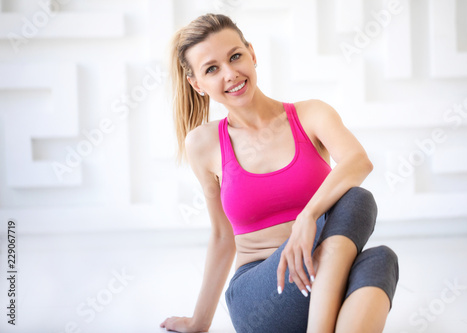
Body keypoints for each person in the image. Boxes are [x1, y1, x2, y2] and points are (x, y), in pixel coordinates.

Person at [160, 13, 399, 333]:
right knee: (356, 204)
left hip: (320, 281)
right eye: (212, 69)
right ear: (197, 84)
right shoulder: (203, 144)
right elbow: (221, 235)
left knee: (377, 247)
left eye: (235, 56)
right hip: (261, 294)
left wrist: (307, 217)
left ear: (252, 54)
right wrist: (199, 322)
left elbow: (358, 161)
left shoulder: (310, 113)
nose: (230, 74)